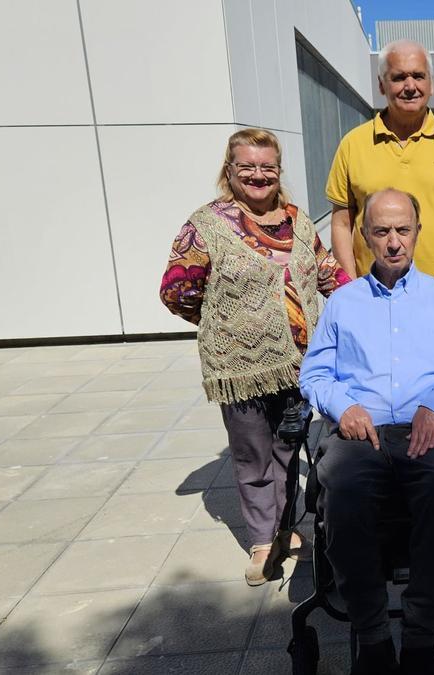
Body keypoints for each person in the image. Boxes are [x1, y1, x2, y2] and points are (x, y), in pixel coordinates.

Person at [300, 189, 434, 675]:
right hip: (359, 434)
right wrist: (342, 407)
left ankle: (421, 638)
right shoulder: (342, 304)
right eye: (381, 231)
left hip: (428, 428)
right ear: (363, 236)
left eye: (402, 230)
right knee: (340, 489)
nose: (392, 243)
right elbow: (315, 375)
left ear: (417, 232)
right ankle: (373, 638)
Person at [160, 128, 350, 585]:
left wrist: (361, 299)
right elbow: (176, 289)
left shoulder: (296, 221)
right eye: (248, 167)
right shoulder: (206, 224)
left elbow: (324, 271)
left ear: (279, 171)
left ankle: (286, 530)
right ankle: (263, 542)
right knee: (252, 455)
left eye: (268, 167)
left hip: (300, 363)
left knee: (289, 449)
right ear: (230, 170)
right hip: (240, 369)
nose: (258, 175)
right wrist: (226, 327)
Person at [326, 38, 434, 309]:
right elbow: (341, 223)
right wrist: (350, 287)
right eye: (398, 77)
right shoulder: (353, 144)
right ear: (382, 84)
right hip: (375, 300)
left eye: (418, 76)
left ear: (431, 84)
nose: (410, 86)